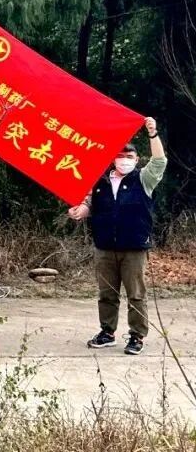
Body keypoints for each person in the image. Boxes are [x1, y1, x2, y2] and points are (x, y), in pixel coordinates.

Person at [69, 117, 166, 355]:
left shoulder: (143, 179)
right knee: (107, 294)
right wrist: (81, 210)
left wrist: (152, 133)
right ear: (113, 158)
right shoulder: (100, 180)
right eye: (120, 156)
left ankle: (136, 336)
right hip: (104, 246)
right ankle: (107, 332)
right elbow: (91, 204)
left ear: (137, 159)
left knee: (136, 294)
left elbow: (159, 161)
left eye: (129, 156)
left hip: (134, 246)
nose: (124, 160)